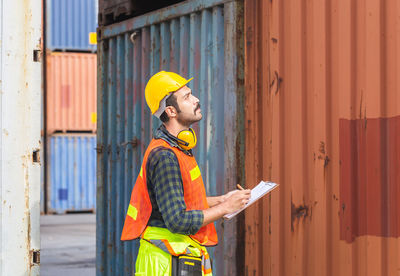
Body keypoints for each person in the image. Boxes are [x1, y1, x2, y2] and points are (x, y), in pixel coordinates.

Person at [121, 71, 251, 276]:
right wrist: (226, 208)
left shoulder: (177, 149)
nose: (196, 100)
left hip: (173, 258)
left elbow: (177, 202)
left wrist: (221, 200)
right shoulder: (165, 156)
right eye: (187, 97)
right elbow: (178, 220)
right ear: (171, 111)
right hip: (163, 264)